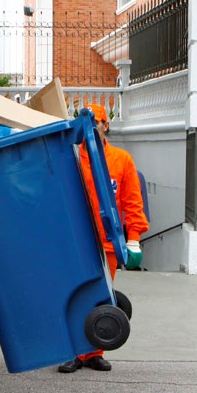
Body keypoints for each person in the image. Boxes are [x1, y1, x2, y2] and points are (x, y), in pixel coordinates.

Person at [57, 103, 148, 373]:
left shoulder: (122, 160)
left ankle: (95, 352)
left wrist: (134, 239)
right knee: (75, 297)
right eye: (87, 122)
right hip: (75, 242)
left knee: (101, 297)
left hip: (107, 243)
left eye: (97, 122)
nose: (92, 127)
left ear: (105, 125)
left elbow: (133, 202)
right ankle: (75, 352)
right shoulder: (69, 157)